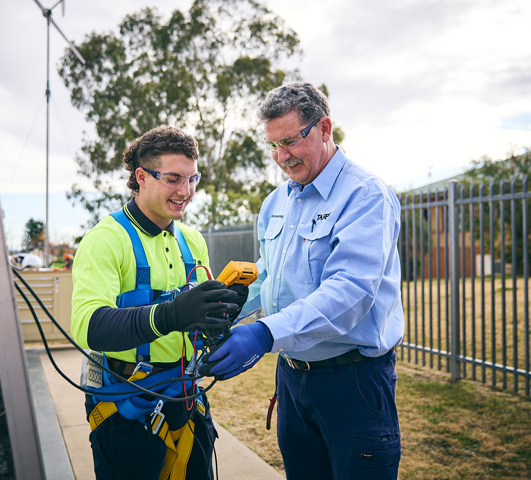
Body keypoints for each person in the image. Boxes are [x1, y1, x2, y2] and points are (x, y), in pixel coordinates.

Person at [205, 82, 405, 479]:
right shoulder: (276, 202)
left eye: (291, 142)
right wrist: (225, 304)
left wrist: (263, 334)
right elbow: (270, 273)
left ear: (324, 128)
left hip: (353, 383)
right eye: (273, 145)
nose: (282, 157)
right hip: (293, 380)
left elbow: (349, 292)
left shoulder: (366, 196)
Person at [70, 126, 241, 480]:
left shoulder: (193, 242)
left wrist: (218, 318)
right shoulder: (105, 240)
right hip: (127, 407)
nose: (186, 191)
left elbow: (198, 324)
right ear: (141, 177)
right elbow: (89, 327)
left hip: (187, 401)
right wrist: (169, 315)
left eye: (193, 179)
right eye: (174, 179)